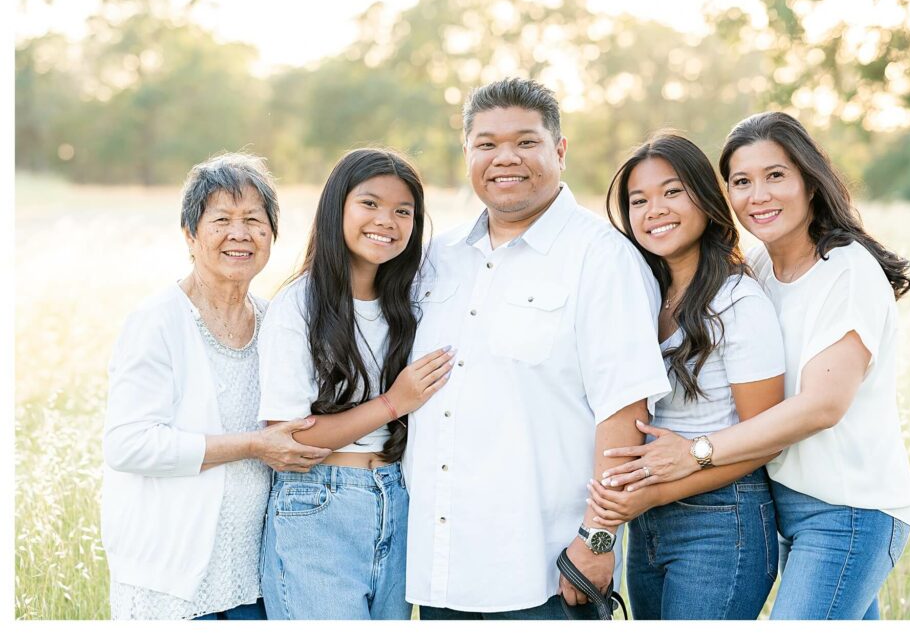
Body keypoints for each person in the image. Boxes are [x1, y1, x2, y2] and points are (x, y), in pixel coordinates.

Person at [601, 112, 910, 620]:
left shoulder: (847, 271)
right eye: (742, 182)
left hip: (848, 510)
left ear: (810, 182)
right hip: (788, 501)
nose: (759, 195)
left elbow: (822, 406)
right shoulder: (765, 265)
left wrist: (696, 453)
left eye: (776, 176)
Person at [405, 77, 672, 619]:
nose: (505, 158)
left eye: (526, 141)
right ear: (467, 153)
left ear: (560, 150)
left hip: (547, 572)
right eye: (486, 144)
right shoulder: (436, 258)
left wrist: (597, 541)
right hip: (438, 572)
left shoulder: (601, 257)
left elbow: (626, 413)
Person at [102, 153, 334, 620]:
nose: (240, 234)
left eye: (254, 220)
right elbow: (128, 445)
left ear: (271, 234)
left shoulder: (278, 321)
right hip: (172, 578)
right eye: (221, 220)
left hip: (258, 576)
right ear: (190, 234)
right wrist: (252, 446)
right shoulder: (158, 322)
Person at [586, 131, 785, 619]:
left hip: (722, 519)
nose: (654, 209)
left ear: (705, 196)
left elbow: (767, 438)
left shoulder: (738, 302)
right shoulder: (643, 294)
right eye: (639, 200)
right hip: (650, 521)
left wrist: (649, 494)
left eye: (672, 191)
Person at [257, 148, 454, 620]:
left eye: (402, 211)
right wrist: (393, 403)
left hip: (396, 496)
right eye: (369, 203)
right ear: (337, 208)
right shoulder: (299, 306)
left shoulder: (408, 306)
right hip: (318, 502)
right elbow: (290, 438)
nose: (386, 220)